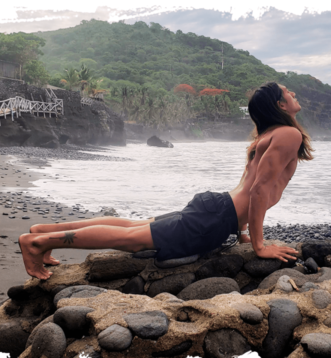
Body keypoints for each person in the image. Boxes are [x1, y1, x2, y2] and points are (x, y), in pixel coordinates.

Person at [19, 82, 314, 280]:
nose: (295, 96)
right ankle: (37, 243)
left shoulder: (268, 135)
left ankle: (44, 230)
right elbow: (260, 189)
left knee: (132, 226)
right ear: (280, 104)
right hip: (215, 217)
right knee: (130, 239)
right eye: (289, 93)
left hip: (218, 210)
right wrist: (259, 246)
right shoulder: (289, 134)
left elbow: (249, 186)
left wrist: (241, 230)